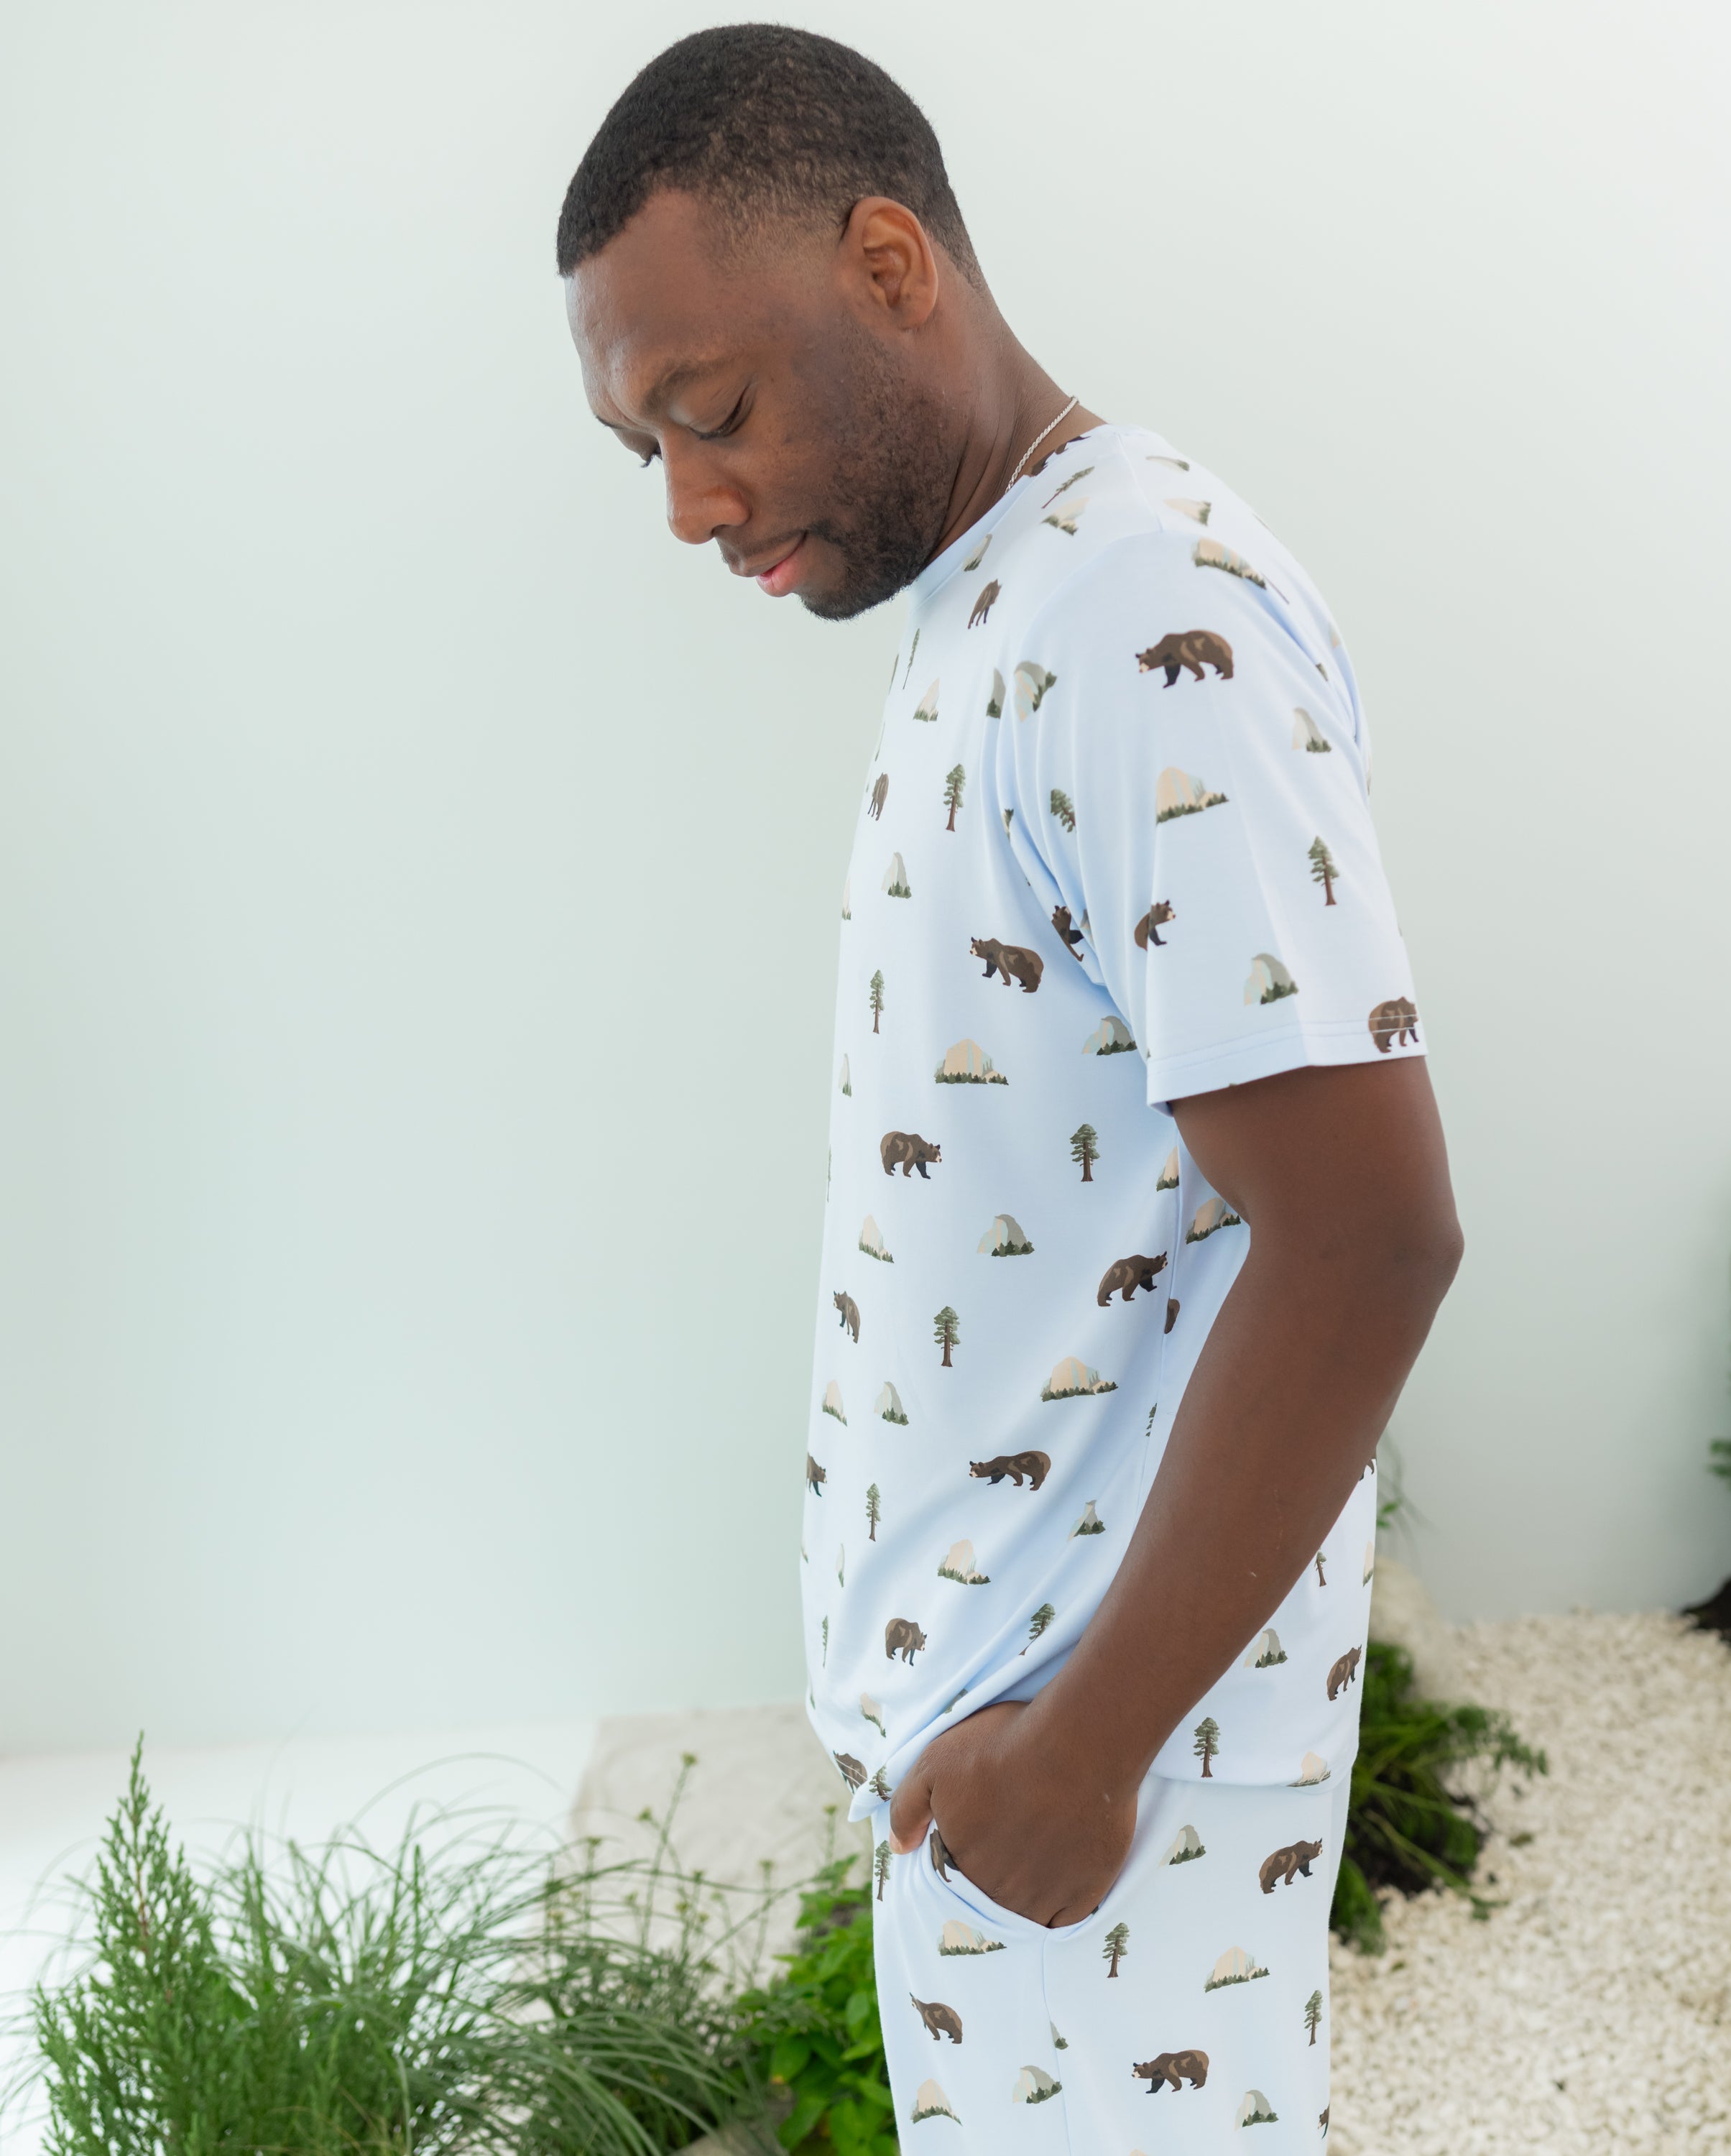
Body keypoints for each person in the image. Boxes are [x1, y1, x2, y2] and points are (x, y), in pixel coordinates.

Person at [558, 27, 1463, 2147]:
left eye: (715, 417)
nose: (693, 505)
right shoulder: (1005, 594)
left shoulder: (1145, 609)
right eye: (649, 455)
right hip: (1017, 1764)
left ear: (891, 265)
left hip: (1103, 1784)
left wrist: (1087, 1748)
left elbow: (1370, 1233)